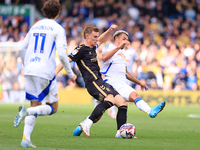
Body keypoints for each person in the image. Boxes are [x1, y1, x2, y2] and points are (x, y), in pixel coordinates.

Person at [73, 30, 166, 138]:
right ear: (116, 38)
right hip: (110, 81)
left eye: (127, 40)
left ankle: (121, 129)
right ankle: (84, 125)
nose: (126, 42)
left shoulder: (122, 53)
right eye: (123, 39)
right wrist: (118, 47)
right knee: (102, 113)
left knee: (128, 100)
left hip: (121, 82)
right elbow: (104, 58)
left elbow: (126, 73)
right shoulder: (109, 46)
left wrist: (139, 82)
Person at [13, 0, 77, 148]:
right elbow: (62, 55)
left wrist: (26, 64)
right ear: (59, 13)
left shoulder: (35, 25)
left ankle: (25, 139)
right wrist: (70, 73)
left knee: (36, 104)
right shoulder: (58, 29)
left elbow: (22, 48)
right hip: (45, 71)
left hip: (29, 70)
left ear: (44, 12)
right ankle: (26, 112)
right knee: (53, 107)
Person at [56, 25, 130, 138]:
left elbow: (101, 39)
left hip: (100, 81)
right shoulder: (81, 49)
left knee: (122, 103)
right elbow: (65, 60)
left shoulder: (92, 47)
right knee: (110, 99)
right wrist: (54, 73)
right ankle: (87, 123)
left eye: (97, 36)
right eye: (94, 37)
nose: (97, 39)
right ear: (87, 36)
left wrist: (109, 31)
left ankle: (120, 132)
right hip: (92, 82)